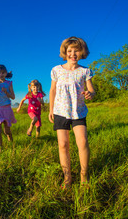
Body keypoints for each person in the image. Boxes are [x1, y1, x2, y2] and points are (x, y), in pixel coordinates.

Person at [48, 36, 96, 189]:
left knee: (82, 142)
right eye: (70, 51)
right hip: (60, 112)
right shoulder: (56, 70)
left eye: (77, 51)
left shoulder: (85, 71)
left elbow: (92, 89)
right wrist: (51, 110)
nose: (73, 54)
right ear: (65, 52)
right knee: (63, 145)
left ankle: (84, 174)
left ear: (82, 53)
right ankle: (67, 177)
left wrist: (91, 94)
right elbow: (53, 90)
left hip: (78, 112)